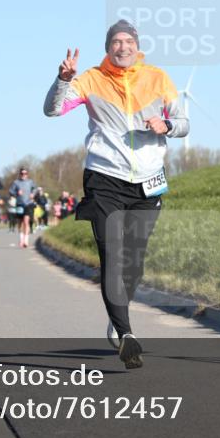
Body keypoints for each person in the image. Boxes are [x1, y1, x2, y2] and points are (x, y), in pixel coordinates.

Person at [44, 19, 188, 369]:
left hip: (148, 181)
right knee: (112, 253)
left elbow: (184, 123)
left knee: (134, 262)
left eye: (128, 41)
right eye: (115, 42)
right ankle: (126, 334)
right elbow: (52, 110)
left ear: (137, 46)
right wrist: (63, 80)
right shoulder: (92, 79)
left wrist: (166, 125)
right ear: (107, 47)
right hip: (105, 178)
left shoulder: (158, 78)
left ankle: (116, 313)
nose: (122, 47)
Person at [9, 168, 36, 248]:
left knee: (26, 221)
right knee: (20, 222)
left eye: (25, 173)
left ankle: (26, 240)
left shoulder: (30, 182)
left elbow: (35, 189)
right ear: (19, 174)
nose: (23, 175)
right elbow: (11, 191)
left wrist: (32, 193)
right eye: (22, 173)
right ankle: (21, 238)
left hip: (28, 203)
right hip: (20, 204)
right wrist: (16, 192)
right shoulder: (16, 182)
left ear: (27, 174)